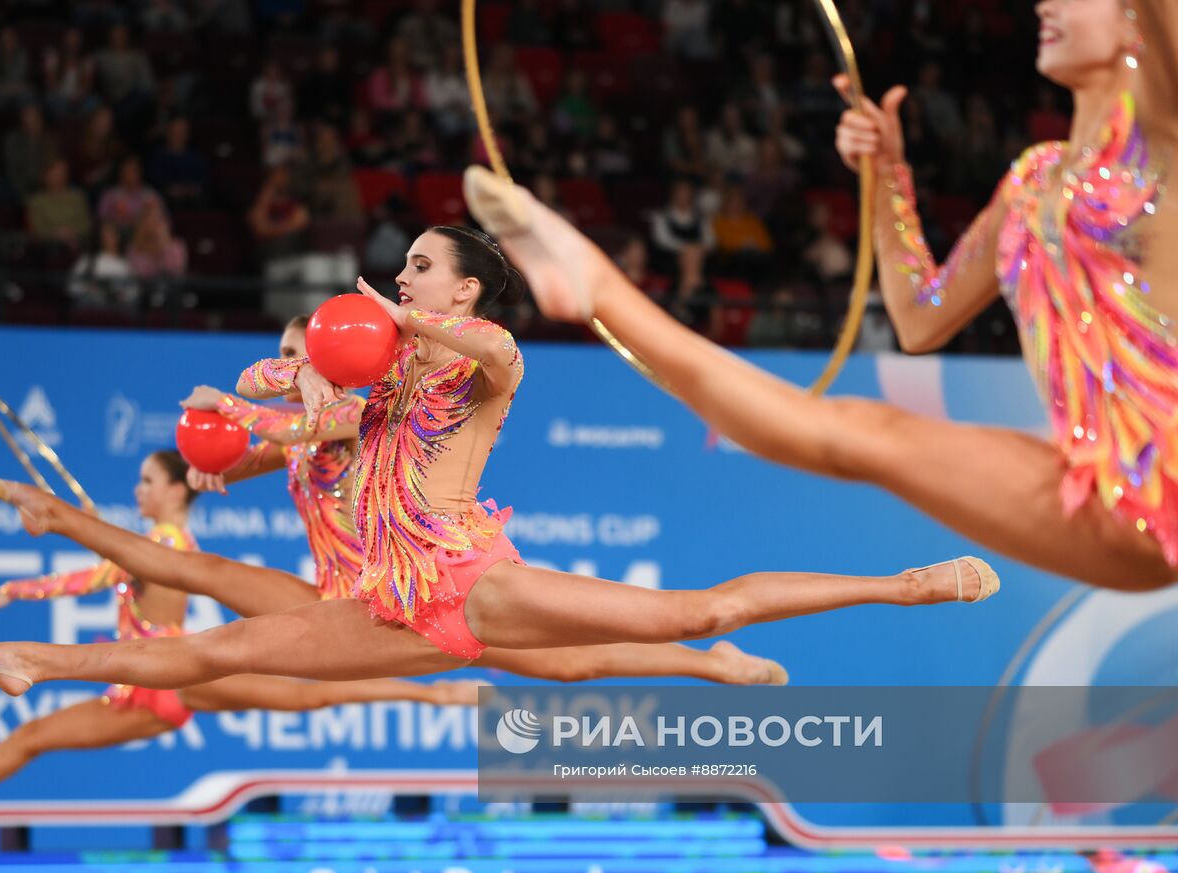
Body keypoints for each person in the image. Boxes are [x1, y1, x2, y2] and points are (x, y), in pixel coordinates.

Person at [0, 227, 995, 695]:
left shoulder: (483, 359)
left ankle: (898, 585)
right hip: (382, 600)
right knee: (221, 652)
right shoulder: (376, 374)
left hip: (467, 578)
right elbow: (290, 403)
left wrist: (382, 339)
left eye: (420, 267)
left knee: (695, 614)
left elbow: (492, 353)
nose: (403, 276)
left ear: (462, 289)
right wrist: (250, 418)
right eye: (402, 268)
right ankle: (32, 662)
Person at [457, 0, 1178, 590]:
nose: (1044, 5)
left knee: (866, 435)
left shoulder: (1167, 146)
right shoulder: (1034, 180)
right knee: (857, 432)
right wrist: (887, 176)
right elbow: (919, 319)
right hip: (1098, 487)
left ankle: (597, 286)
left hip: (1163, 487)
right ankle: (593, 286)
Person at [0, 451, 474, 815]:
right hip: (164, 678)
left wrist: (16, 589)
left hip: (155, 680)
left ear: (178, 490)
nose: (139, 490)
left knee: (31, 739)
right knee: (307, 693)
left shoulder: (168, 542)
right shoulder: (162, 542)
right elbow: (106, 570)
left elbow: (93, 576)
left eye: (149, 482)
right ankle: (440, 694)